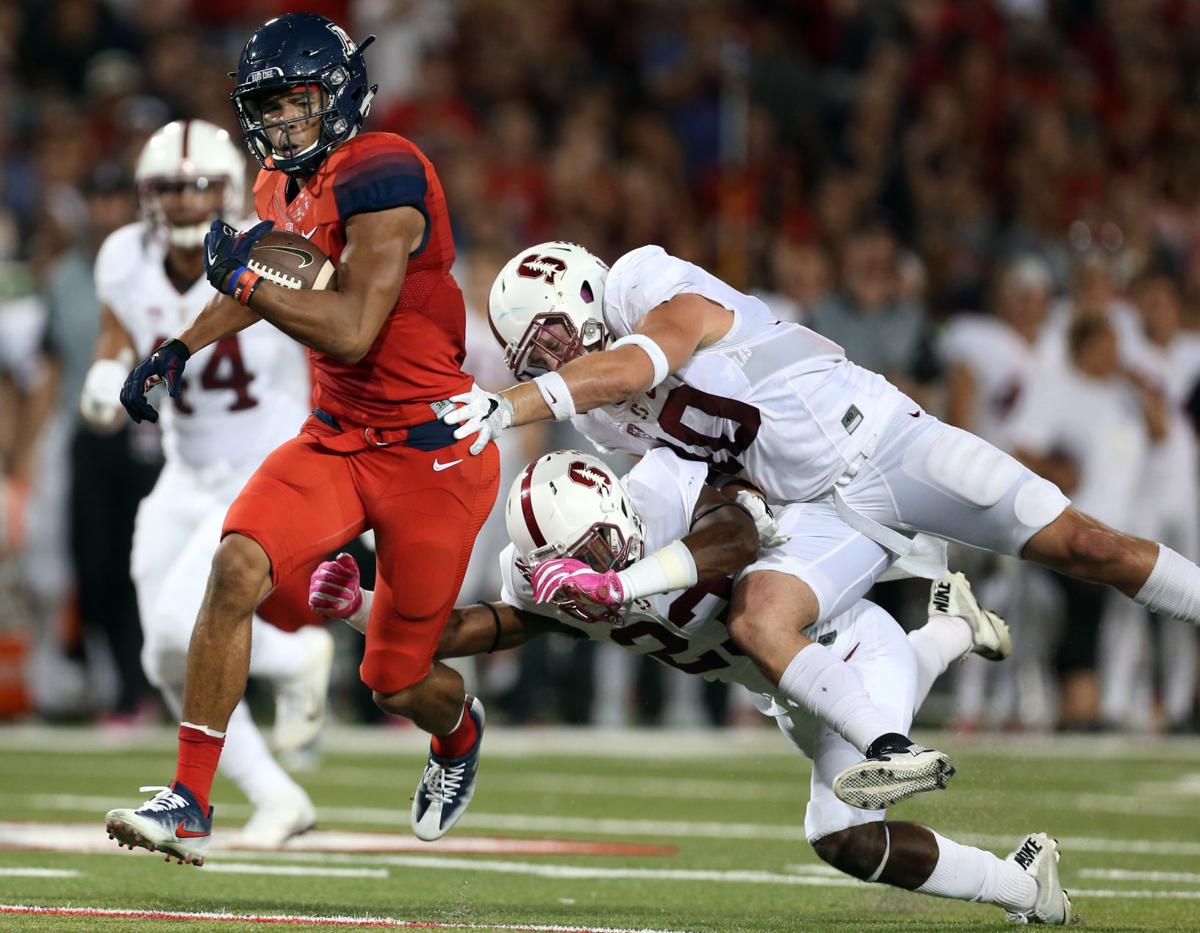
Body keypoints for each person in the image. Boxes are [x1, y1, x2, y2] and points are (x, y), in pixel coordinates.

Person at [444, 240, 1200, 790]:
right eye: (533, 359)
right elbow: (700, 479)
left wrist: (509, 407)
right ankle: (893, 749)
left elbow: (642, 361)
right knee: (758, 619)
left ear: (581, 292)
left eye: (551, 340)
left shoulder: (641, 283)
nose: (551, 363)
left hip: (887, 441)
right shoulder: (602, 418)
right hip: (817, 509)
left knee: (1085, 545)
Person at [310, 449, 1070, 926]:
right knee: (852, 716)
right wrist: (363, 610)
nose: (592, 569)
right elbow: (472, 628)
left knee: (841, 832)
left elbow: (733, 536)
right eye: (575, 565)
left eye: (598, 549)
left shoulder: (665, 488)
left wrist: (622, 580)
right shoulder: (544, 578)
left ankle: (1023, 886)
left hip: (838, 644)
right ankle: (955, 629)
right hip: (785, 691)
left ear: (615, 508)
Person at [105, 13, 499, 865]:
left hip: (431, 451)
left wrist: (243, 276)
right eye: (268, 108)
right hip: (335, 436)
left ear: (341, 93)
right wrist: (181, 344)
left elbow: (353, 329)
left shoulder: (386, 172)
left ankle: (459, 730)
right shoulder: (276, 186)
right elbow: (258, 284)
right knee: (235, 565)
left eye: (297, 102)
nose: (282, 123)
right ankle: (190, 798)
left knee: (397, 678)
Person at [83, 119, 332, 845]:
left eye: (198, 187)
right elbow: (117, 334)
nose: (185, 202)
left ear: (226, 190)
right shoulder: (123, 256)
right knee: (163, 655)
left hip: (263, 464)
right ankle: (278, 795)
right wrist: (105, 376)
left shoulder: (271, 248)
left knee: (176, 625)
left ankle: (295, 655)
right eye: (168, 188)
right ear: (145, 195)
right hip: (184, 469)